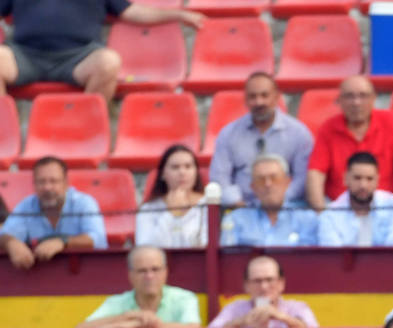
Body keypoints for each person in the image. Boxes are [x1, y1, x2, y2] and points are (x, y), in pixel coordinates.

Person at [0, 0, 204, 101]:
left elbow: (131, 11)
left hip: (79, 57)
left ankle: (87, 126)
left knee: (108, 62)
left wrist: (177, 15)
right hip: (25, 55)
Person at [306, 76, 393, 212]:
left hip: (387, 208)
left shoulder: (391, 121)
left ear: (374, 98)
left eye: (363, 96)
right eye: (349, 96)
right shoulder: (328, 128)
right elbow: (315, 174)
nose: (356, 102)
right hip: (342, 210)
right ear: (339, 100)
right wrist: (322, 214)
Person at [208, 72, 314, 207]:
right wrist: (237, 202)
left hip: (286, 206)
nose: (259, 102)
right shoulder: (229, 134)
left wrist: (277, 200)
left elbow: (302, 178)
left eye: (264, 95)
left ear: (276, 97)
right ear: (245, 100)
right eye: (253, 97)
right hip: (240, 207)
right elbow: (219, 178)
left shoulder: (298, 133)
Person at [0, 156, 107, 270]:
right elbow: (5, 234)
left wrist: (63, 242)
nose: (47, 187)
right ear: (34, 184)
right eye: (41, 182)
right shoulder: (27, 205)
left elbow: (98, 239)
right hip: (37, 277)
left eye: (54, 181)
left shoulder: (84, 202)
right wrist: (12, 244)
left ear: (66, 183)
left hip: (84, 273)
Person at [72, 246, 201, 328]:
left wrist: (133, 325)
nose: (149, 276)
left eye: (155, 269)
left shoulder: (184, 298)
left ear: (165, 272)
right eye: (142, 271)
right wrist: (126, 317)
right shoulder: (116, 302)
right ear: (130, 275)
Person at [221, 154, 321, 247]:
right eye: (261, 179)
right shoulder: (235, 219)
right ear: (253, 187)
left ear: (287, 182)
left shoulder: (307, 219)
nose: (268, 184)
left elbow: (312, 257)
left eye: (274, 178)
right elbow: (227, 257)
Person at [319, 152, 393, 248]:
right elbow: (333, 254)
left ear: (377, 180)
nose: (363, 185)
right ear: (345, 178)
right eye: (357, 178)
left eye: (369, 179)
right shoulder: (329, 215)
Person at [209, 256, 319, 328]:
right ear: (246, 285)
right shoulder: (234, 309)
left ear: (281, 283)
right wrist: (242, 321)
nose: (264, 287)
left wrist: (283, 318)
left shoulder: (297, 308)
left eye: (270, 280)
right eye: (257, 281)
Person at [136, 144, 208, 249]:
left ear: (196, 172)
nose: (182, 172)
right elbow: (145, 249)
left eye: (188, 166)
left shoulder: (208, 205)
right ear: (162, 174)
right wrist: (170, 214)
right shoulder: (148, 208)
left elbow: (207, 243)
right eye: (175, 167)